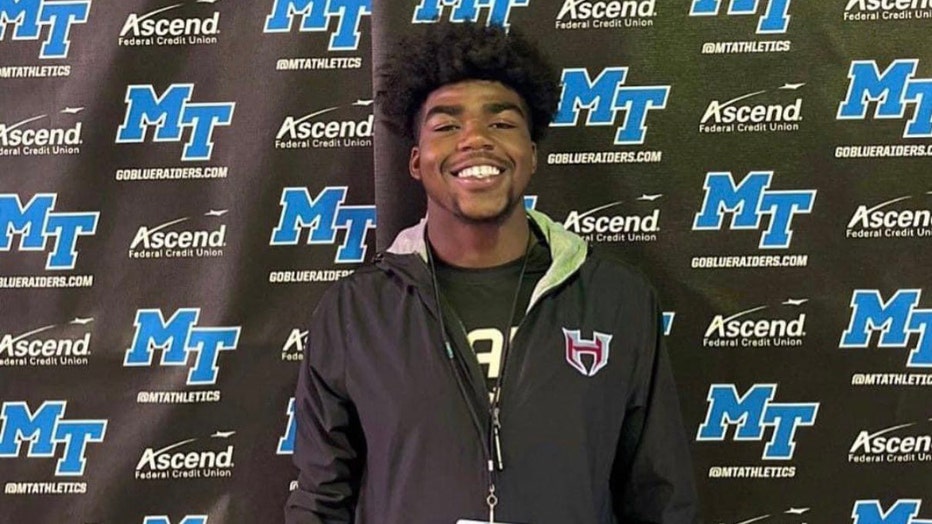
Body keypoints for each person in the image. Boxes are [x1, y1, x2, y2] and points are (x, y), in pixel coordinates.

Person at [285, 22, 698, 524]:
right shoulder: (356, 312)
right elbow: (321, 501)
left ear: (531, 154)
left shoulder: (618, 298)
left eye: (502, 123)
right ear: (416, 161)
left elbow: (660, 496)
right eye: (446, 125)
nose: (476, 139)